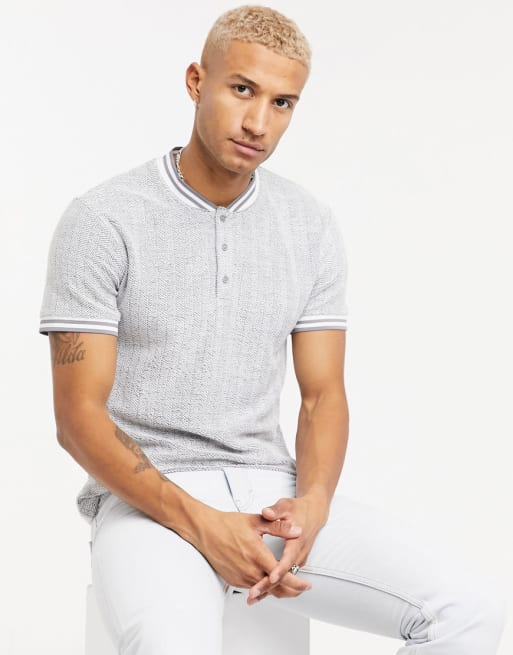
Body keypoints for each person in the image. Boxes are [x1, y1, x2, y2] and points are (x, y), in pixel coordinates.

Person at [39, 5, 507, 653]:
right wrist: (204, 525)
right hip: (147, 502)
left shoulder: (307, 225)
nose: (258, 122)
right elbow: (78, 418)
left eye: (282, 102)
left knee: (469, 612)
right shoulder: (103, 220)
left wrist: (312, 502)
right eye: (242, 89)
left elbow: (322, 395)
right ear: (196, 80)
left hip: (270, 489)